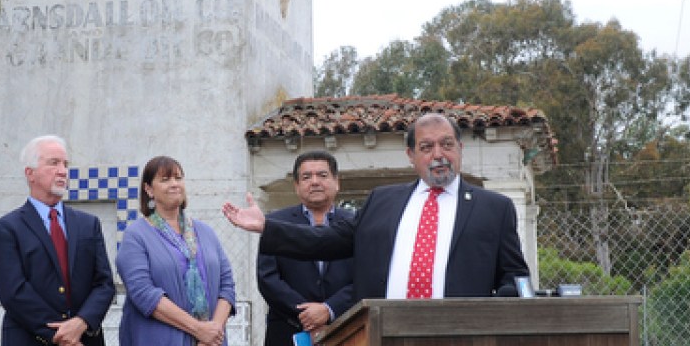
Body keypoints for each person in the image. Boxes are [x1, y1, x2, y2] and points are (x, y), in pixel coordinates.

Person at [222, 113, 530, 301]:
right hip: (384, 339)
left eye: (447, 144)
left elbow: (516, 279)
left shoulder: (494, 208)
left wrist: (487, 308)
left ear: (459, 149)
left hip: (460, 343)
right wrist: (268, 227)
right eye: (426, 147)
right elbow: (327, 241)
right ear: (411, 155)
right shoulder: (382, 201)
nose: (438, 154)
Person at [0, 135, 115, 346]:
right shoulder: (8, 228)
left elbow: (104, 284)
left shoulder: (88, 225)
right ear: (30, 173)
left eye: (66, 164)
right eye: (53, 163)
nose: (63, 171)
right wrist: (68, 338)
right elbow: (14, 292)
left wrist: (81, 323)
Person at [116, 155, 236, 346]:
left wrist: (211, 336)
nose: (174, 184)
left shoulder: (205, 232)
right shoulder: (136, 236)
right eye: (165, 178)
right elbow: (144, 294)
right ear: (149, 189)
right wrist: (199, 330)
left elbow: (227, 286)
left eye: (178, 177)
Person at [257, 151, 355, 346]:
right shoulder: (274, 224)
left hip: (346, 341)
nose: (315, 182)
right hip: (289, 345)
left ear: (337, 182)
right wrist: (308, 315)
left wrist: (328, 310)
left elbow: (366, 277)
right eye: (306, 177)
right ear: (297, 186)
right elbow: (268, 278)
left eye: (323, 175)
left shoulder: (357, 224)